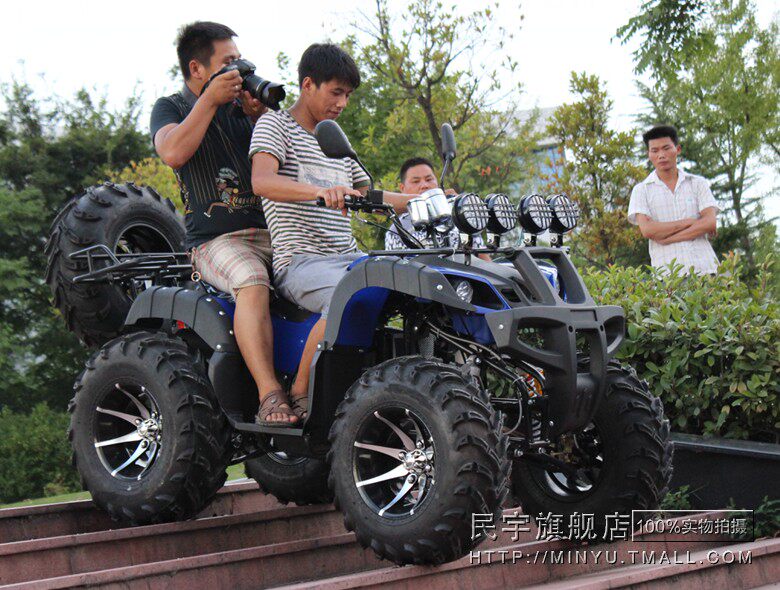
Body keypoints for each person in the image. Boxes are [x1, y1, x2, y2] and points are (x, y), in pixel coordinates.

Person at [250, 43, 417, 420]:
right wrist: (319, 191)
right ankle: (300, 392)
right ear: (308, 84)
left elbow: (369, 195)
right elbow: (262, 181)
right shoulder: (276, 125)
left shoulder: (334, 136)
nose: (342, 103)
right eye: (336, 92)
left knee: (410, 284)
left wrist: (427, 200)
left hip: (347, 257)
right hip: (301, 262)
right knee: (348, 292)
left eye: (348, 95)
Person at [150, 22, 294, 426]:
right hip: (216, 241)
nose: (240, 70)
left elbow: (292, 164)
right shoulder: (171, 107)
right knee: (252, 279)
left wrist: (263, 118)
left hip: (276, 232)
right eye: (229, 63)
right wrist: (210, 101)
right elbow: (173, 152)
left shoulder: (246, 110)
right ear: (197, 69)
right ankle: (269, 395)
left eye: (240, 61)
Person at [628, 125, 719, 275]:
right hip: (668, 277)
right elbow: (648, 230)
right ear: (648, 154)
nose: (661, 155)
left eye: (666, 148)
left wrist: (667, 239)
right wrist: (690, 222)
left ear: (677, 149)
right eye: (655, 151)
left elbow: (710, 222)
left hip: (707, 269)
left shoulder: (697, 183)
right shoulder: (641, 190)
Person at [384, 156, 491, 261]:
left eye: (429, 179)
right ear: (402, 188)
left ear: (437, 182)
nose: (424, 185)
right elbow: (396, 268)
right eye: (416, 181)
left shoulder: (459, 218)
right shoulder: (397, 230)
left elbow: (484, 260)